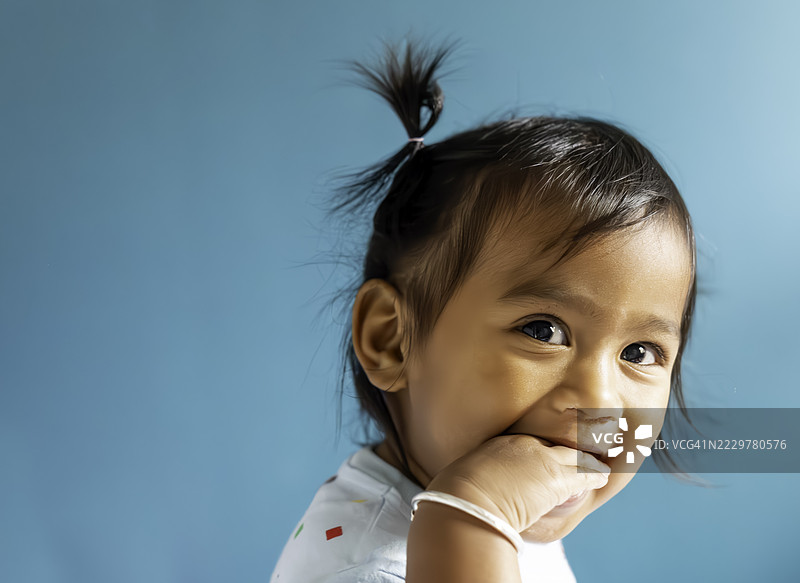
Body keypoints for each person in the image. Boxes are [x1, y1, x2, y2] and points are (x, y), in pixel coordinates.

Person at [271, 39, 697, 583]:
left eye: (638, 353)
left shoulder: (498, 515)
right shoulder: (377, 569)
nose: (600, 401)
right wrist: (469, 518)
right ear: (392, 340)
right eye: (543, 330)